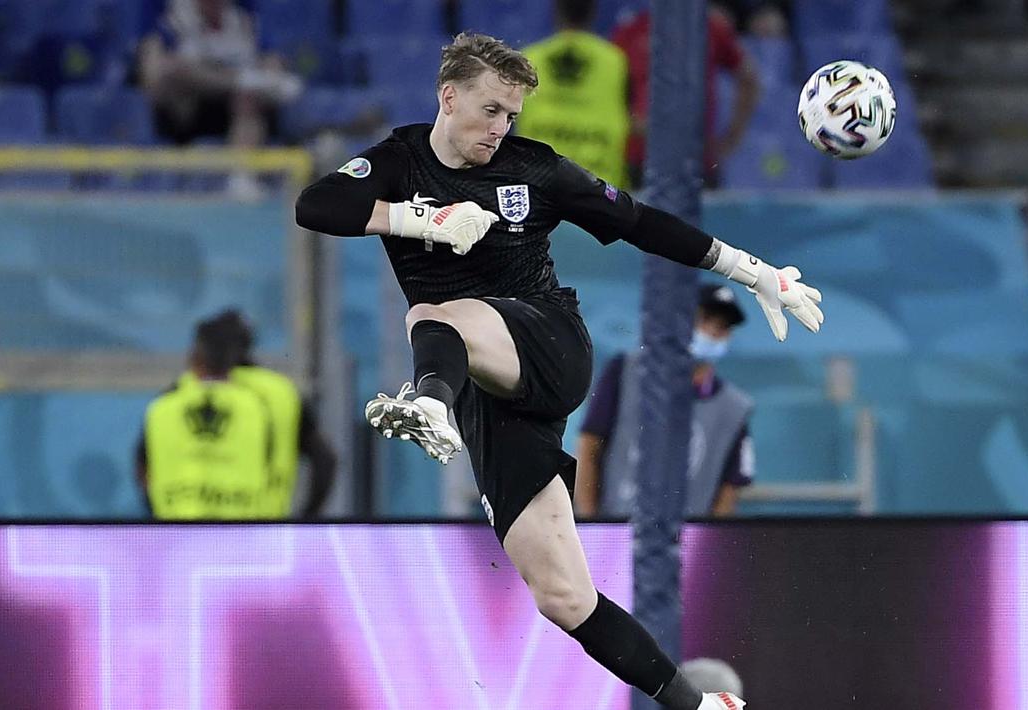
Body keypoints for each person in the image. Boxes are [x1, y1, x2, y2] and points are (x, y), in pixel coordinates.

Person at [295, 32, 822, 710]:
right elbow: (316, 206)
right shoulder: (399, 162)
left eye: (510, 115)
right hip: (488, 391)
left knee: (431, 311)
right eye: (489, 111)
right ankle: (700, 705)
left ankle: (427, 401)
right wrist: (417, 219)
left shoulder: (534, 172)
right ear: (447, 97)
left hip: (549, 345)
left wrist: (751, 271)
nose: (499, 128)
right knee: (563, 597)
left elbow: (638, 221)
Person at [575, 284, 754, 519]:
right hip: (616, 534)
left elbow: (731, 487)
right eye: (705, 319)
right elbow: (589, 448)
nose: (711, 332)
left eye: (722, 327)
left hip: (689, 543)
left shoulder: (735, 407)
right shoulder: (625, 372)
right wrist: (592, 525)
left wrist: (708, 543)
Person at [137, 0, 302, 198]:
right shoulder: (171, 15)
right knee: (172, 71)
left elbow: (271, 60)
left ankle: (241, 177)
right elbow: (153, 77)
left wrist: (272, 76)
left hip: (237, 109)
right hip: (186, 111)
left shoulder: (244, 13)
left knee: (249, 98)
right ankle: (242, 82)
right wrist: (234, 79)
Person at [136, 316, 273, 519]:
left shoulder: (162, 408)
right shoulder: (256, 409)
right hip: (240, 537)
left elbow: (143, 471)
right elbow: (269, 466)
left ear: (194, 356)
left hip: (176, 535)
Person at [612, 4, 761, 187]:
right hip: (640, 159)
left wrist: (733, 135)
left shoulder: (710, 27)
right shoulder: (631, 30)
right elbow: (609, 87)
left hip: (697, 160)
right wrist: (632, 122)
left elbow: (749, 79)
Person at [210, 309, 337, 519]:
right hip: (266, 531)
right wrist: (309, 515)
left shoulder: (187, 391)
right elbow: (325, 459)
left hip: (191, 532)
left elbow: (146, 464)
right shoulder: (281, 393)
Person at [517, 0, 630, 187]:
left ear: (556, 12)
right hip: (599, 190)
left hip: (538, 183)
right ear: (593, 13)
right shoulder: (615, 61)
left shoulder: (530, 57)